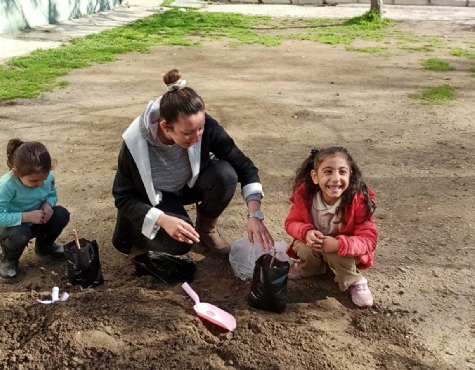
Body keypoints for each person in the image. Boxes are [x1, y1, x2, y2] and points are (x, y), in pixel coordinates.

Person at [112, 69, 274, 258]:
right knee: (181, 242)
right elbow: (122, 196)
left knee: (225, 174)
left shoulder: (201, 127)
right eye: (188, 133)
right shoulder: (135, 141)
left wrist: (255, 215)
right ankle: (140, 228)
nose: (197, 137)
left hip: (186, 185)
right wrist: (162, 219)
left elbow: (245, 166)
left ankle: (207, 230)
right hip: (156, 196)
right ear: (165, 127)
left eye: (201, 128)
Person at [284, 147, 378, 308]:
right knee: (303, 246)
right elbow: (291, 223)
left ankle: (355, 280)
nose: (336, 178)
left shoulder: (359, 202)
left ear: (350, 175)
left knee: (336, 255)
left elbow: (369, 239)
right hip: (317, 245)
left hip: (345, 252)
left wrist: (340, 245)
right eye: (328, 172)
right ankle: (311, 269)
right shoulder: (306, 197)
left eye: (342, 172)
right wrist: (306, 233)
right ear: (315, 176)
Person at [0, 139, 70, 283]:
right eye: (34, 181)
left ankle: (45, 247)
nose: (40, 184)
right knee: (20, 234)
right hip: (12, 228)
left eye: (44, 178)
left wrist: (48, 205)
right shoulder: (7, 185)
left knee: (61, 214)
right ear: (16, 172)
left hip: (38, 220)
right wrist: (26, 217)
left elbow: (51, 194)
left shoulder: (47, 178)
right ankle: (9, 260)